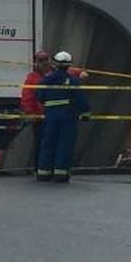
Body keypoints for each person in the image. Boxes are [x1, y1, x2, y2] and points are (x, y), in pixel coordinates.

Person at [35, 51, 89, 183]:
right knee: (64, 143)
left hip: (51, 114)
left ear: (55, 63)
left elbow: (39, 96)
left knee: (48, 142)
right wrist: (85, 112)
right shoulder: (72, 80)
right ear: (69, 65)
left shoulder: (46, 79)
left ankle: (44, 172)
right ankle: (60, 173)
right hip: (67, 115)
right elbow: (80, 98)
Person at [20, 50, 51, 165]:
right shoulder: (32, 78)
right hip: (40, 117)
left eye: (45, 60)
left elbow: (70, 72)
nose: (44, 63)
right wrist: (30, 112)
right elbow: (27, 96)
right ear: (36, 62)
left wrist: (81, 72)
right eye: (40, 61)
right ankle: (40, 168)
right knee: (40, 143)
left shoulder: (56, 74)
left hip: (53, 116)